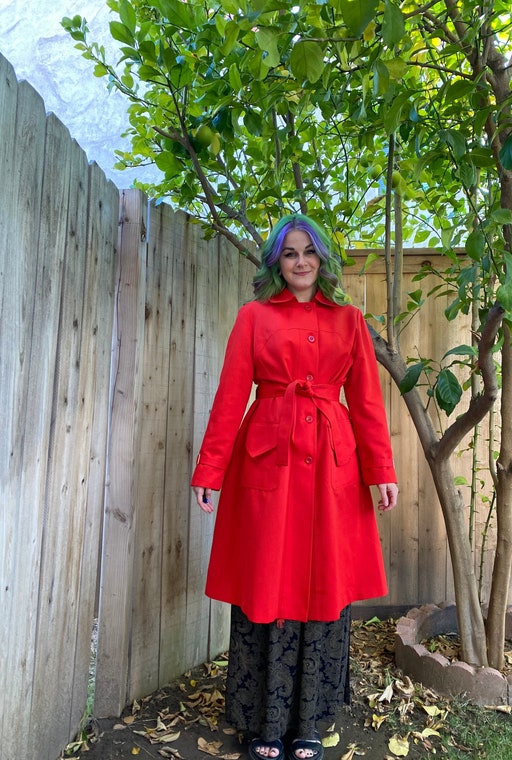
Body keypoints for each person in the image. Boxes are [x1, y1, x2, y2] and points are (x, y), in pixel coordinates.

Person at [191, 214, 398, 760]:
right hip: (268, 464)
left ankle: (310, 721)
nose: (301, 262)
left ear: (322, 259)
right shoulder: (254, 317)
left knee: (323, 583)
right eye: (289, 254)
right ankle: (263, 723)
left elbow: (369, 406)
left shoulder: (350, 320)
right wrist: (209, 470)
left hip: (332, 468)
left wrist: (382, 471)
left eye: (309, 252)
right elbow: (231, 397)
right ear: (275, 263)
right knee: (267, 580)